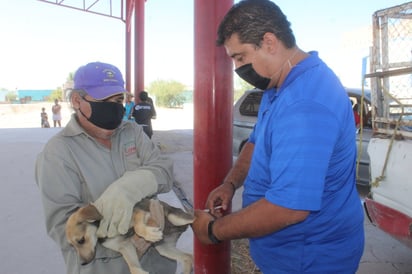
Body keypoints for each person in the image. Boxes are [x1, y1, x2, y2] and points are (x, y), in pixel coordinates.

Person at [191, 1, 365, 273]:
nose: (238, 68)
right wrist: (230, 184)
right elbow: (255, 144)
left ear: (269, 42)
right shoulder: (280, 85)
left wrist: (213, 230)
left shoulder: (304, 104)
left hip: (310, 259)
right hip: (288, 253)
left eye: (240, 57)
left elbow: (288, 209)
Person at [35, 61, 176, 274]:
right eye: (104, 99)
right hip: (106, 267)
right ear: (76, 100)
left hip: (157, 264)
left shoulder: (132, 132)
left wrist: (134, 185)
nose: (113, 106)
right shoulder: (58, 153)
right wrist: (126, 226)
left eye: (118, 99)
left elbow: (164, 170)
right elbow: (63, 227)